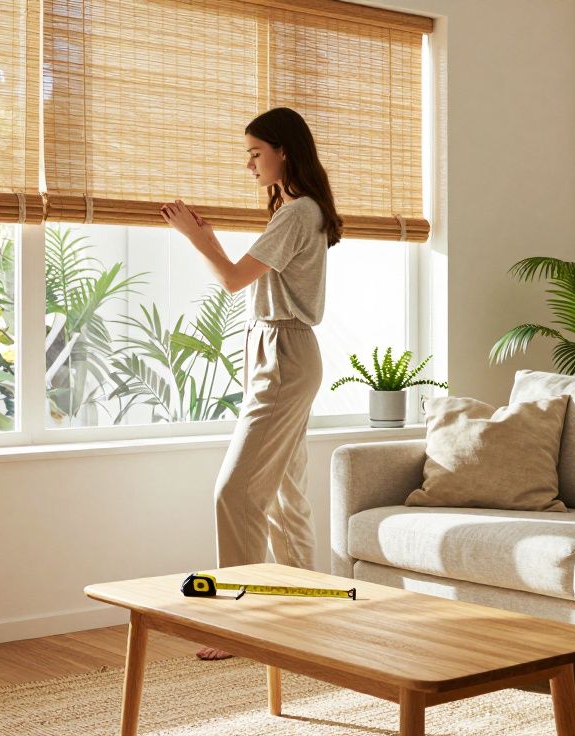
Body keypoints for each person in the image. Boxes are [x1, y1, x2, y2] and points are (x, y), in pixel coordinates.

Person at [160, 107, 343, 661]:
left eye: (255, 152)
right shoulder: (298, 210)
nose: (249, 164)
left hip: (283, 354)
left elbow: (235, 280)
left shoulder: (296, 213)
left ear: (284, 150)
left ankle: (239, 624)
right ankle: (303, 606)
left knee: (235, 492)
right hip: (280, 352)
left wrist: (196, 238)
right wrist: (210, 238)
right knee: (286, 494)